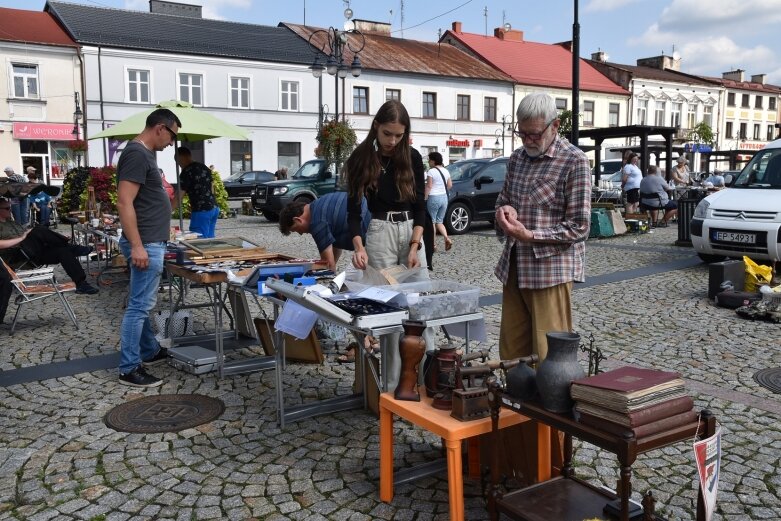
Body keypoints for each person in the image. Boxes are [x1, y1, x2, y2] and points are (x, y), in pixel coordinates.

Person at [494, 92, 591, 362]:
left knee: (549, 357)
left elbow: (579, 227)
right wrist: (505, 211)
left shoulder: (575, 161)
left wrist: (531, 235)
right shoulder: (516, 159)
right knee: (511, 352)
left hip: (550, 272)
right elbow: (503, 202)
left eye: (534, 134)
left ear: (555, 126)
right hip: (515, 266)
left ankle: (547, 404)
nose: (527, 140)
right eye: (522, 133)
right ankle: (512, 402)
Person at [343, 99, 429, 390]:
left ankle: (429, 380)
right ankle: (393, 387)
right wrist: (359, 247)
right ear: (376, 127)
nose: (393, 141)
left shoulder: (413, 158)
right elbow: (353, 213)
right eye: (387, 134)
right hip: (379, 232)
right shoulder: (360, 159)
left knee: (422, 307)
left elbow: (421, 207)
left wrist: (415, 245)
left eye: (398, 135)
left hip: (411, 233)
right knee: (390, 311)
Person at [116, 108, 181, 388]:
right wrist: (137, 245)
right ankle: (129, 368)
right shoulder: (137, 153)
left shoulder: (144, 154)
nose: (172, 143)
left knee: (140, 303)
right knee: (139, 308)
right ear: (160, 128)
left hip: (151, 240)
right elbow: (124, 202)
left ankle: (149, 350)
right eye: (172, 136)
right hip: (145, 243)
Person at [0, 197, 98, 295]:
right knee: (39, 229)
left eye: (10, 207)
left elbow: (24, 234)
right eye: (7, 208)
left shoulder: (12, 222)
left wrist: (27, 233)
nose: (11, 210)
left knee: (63, 251)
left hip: (33, 252)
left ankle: (81, 284)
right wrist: (22, 238)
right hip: (17, 255)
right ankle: (73, 248)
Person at [279, 192, 370, 272]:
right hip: (374, 213)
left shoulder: (316, 222)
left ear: (298, 220)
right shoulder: (320, 204)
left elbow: (328, 264)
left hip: (373, 230)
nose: (301, 233)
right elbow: (334, 244)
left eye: (296, 229)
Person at [175, 146, 218, 238]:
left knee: (198, 242)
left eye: (177, 161)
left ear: (181, 158)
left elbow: (179, 196)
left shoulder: (186, 172)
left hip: (201, 210)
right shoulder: (204, 167)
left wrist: (169, 210)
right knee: (210, 241)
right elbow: (212, 188)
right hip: (214, 207)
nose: (178, 164)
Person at [425, 152, 454, 253]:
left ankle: (433, 245)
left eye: (429, 160)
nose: (428, 162)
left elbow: (429, 186)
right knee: (440, 221)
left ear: (433, 161)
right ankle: (447, 238)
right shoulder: (446, 171)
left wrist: (425, 198)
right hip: (444, 198)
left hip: (433, 197)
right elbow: (450, 185)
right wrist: (441, 189)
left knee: (432, 222)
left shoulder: (431, 171)